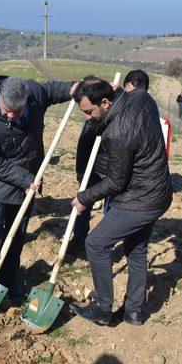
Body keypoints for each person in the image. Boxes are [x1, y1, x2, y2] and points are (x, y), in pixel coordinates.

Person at [69, 76, 172, 326]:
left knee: (95, 243)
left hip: (139, 199)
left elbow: (116, 181)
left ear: (105, 102)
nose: (87, 117)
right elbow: (134, 93)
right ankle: (134, 311)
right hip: (159, 192)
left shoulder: (117, 133)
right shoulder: (141, 98)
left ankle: (103, 307)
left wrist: (84, 197)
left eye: (89, 111)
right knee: (136, 249)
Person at [0, 75, 76, 298]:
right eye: (6, 109)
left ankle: (8, 281)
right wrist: (25, 178)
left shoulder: (34, 95)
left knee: (17, 234)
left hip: (27, 181)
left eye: (16, 111)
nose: (10, 115)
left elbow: (51, 89)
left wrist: (73, 87)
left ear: (26, 100)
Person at [69, 71, 150, 254]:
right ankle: (79, 238)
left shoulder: (130, 108)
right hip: (96, 167)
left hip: (118, 170)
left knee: (112, 210)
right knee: (84, 201)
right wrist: (82, 170)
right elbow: (84, 142)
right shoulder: (96, 109)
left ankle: (103, 245)